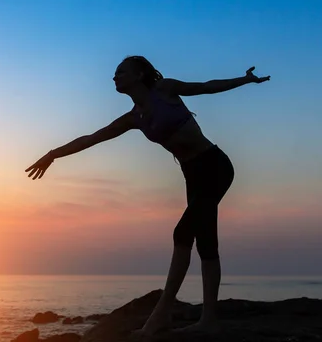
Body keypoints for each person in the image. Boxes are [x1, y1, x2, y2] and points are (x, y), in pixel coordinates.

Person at [25, 56, 270, 337]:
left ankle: (158, 318)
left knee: (182, 234)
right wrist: (53, 154)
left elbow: (207, 87)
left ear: (140, 74)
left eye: (121, 72)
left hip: (214, 165)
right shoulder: (134, 118)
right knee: (205, 242)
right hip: (192, 175)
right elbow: (92, 138)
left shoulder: (165, 89)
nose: (114, 77)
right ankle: (209, 321)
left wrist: (246, 80)